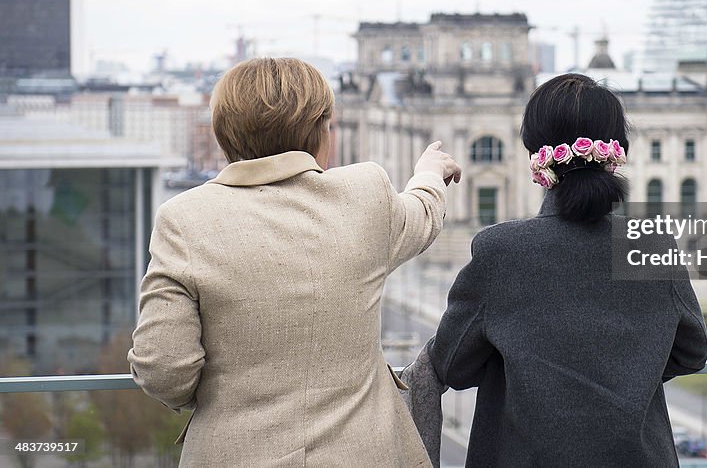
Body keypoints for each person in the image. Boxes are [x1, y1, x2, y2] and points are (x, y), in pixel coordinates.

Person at [127, 57, 461, 467]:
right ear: (321, 131)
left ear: (222, 134)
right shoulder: (364, 194)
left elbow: (163, 369)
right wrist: (428, 173)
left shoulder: (184, 219)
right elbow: (422, 214)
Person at [427, 73, 707, 466]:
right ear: (617, 152)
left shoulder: (500, 251)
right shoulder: (654, 243)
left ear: (535, 157)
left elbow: (452, 365)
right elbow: (693, 352)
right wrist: (627, 367)